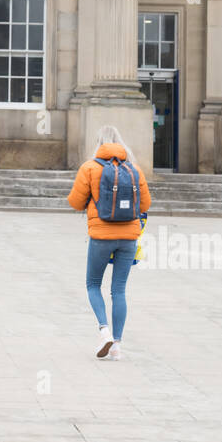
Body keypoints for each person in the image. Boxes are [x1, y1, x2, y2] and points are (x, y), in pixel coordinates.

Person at [67, 124, 151, 361]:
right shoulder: (134, 169)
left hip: (101, 236)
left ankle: (104, 331)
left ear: (98, 143)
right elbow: (145, 205)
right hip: (128, 238)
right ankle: (117, 346)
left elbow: (75, 202)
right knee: (119, 290)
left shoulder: (90, 167)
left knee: (93, 284)